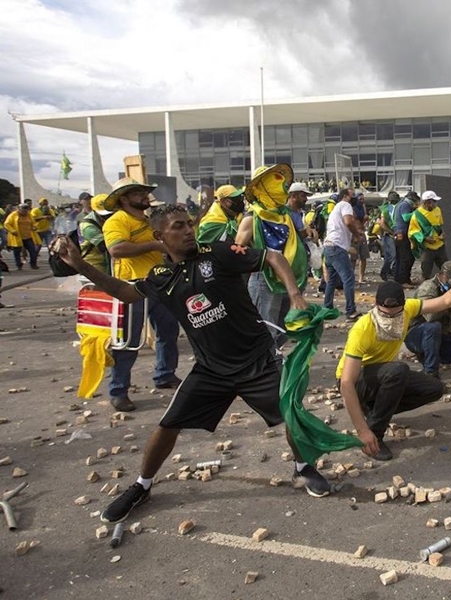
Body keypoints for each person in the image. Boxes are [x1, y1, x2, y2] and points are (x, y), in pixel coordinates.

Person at [54, 204, 332, 524]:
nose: (188, 230)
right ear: (159, 236)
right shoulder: (161, 276)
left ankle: (303, 468)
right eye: (178, 226)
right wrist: (79, 264)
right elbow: (124, 292)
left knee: (291, 415)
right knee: (167, 426)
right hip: (211, 369)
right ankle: (142, 486)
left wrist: (295, 294)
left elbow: (272, 256)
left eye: (188, 223)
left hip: (258, 361)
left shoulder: (218, 252)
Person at [337, 259, 451, 461]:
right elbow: (346, 382)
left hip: (383, 376)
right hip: (357, 381)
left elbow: (447, 300)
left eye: (396, 315)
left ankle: (374, 411)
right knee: (398, 370)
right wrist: (362, 431)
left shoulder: (410, 309)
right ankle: (374, 435)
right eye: (386, 315)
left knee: (434, 388)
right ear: (377, 306)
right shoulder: (363, 329)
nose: (391, 320)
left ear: (404, 307)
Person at [102, 177, 181, 412]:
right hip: (131, 287)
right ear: (124, 198)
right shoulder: (118, 220)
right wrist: (155, 246)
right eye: (138, 193)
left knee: (168, 331)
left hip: (158, 283)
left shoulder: (147, 221)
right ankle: (118, 390)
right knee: (128, 341)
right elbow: (116, 248)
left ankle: (165, 374)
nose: (145, 197)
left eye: (144, 192)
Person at [236, 165, 308, 347]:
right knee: (265, 329)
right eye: (276, 181)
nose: (283, 186)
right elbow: (237, 251)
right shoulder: (253, 217)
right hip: (264, 279)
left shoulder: (283, 216)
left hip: (287, 278)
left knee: (285, 326)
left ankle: (272, 357)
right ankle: (267, 367)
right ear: (264, 187)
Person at [405, 261, 451, 379]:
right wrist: (449, 300)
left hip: (439, 335)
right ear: (442, 276)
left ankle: (431, 355)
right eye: (450, 283)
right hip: (417, 333)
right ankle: (430, 373)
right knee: (433, 327)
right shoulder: (428, 288)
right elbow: (430, 317)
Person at [323, 188, 363, 320]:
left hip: (329, 246)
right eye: (352, 195)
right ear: (346, 196)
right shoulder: (345, 205)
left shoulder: (335, 208)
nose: (354, 198)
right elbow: (348, 222)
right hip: (336, 247)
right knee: (348, 278)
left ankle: (327, 308)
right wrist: (357, 236)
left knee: (332, 280)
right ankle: (350, 310)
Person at [408, 190, 447, 280]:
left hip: (440, 245)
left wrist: (443, 234)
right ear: (428, 202)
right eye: (434, 201)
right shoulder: (417, 215)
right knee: (426, 270)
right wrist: (425, 239)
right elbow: (413, 231)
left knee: (446, 268)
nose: (436, 204)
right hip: (427, 248)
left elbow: (440, 225)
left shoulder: (438, 210)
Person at [79, 193, 114, 274]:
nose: (107, 217)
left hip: (107, 263)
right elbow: (107, 246)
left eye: (110, 214)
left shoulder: (106, 220)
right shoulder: (87, 226)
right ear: (93, 210)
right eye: (104, 215)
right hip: (94, 266)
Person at [392, 190, 419, 287]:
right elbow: (406, 218)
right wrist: (416, 211)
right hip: (402, 234)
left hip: (400, 234)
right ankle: (403, 280)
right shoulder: (405, 205)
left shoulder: (401, 204)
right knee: (406, 258)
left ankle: (402, 279)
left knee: (402, 258)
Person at [4, 204, 40, 270]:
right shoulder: (13, 215)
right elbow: (7, 224)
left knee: (33, 251)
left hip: (28, 236)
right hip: (17, 237)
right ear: (19, 209)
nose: (25, 211)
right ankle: (18, 265)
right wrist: (12, 231)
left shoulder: (29, 215)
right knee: (17, 252)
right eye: (23, 209)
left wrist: (34, 227)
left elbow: (33, 222)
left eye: (26, 209)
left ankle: (33, 264)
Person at [377, 191, 400, 281]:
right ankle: (385, 272)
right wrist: (391, 232)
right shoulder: (386, 209)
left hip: (392, 234)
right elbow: (382, 223)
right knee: (391, 256)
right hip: (388, 235)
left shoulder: (393, 208)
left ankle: (391, 273)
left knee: (394, 256)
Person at [351, 191, 370, 283]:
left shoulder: (363, 207)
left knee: (363, 256)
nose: (362, 201)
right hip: (354, 234)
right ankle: (351, 277)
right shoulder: (352, 208)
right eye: (360, 199)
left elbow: (365, 220)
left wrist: (365, 220)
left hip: (362, 233)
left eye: (363, 199)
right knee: (353, 258)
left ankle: (361, 277)